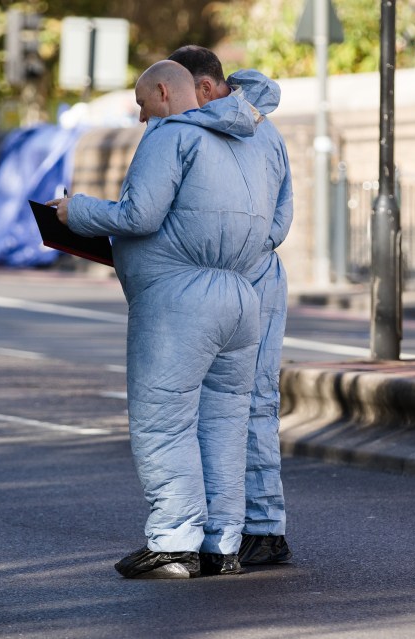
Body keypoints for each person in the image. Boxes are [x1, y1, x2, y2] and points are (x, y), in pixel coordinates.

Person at [46, 60, 273, 578]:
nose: (143, 118)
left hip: (179, 300)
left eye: (143, 105)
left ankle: (174, 541)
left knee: (163, 422)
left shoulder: (172, 135)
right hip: (240, 297)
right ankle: (222, 544)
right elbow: (273, 224)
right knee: (224, 424)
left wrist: (74, 212)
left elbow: (138, 216)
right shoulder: (247, 140)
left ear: (165, 92)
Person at [168, 45, 294, 566]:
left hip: (219, 283)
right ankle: (255, 527)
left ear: (201, 88)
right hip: (260, 277)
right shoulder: (268, 131)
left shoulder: (200, 133)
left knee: (221, 407)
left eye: (174, 94)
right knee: (249, 402)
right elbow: (281, 218)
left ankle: (243, 529)